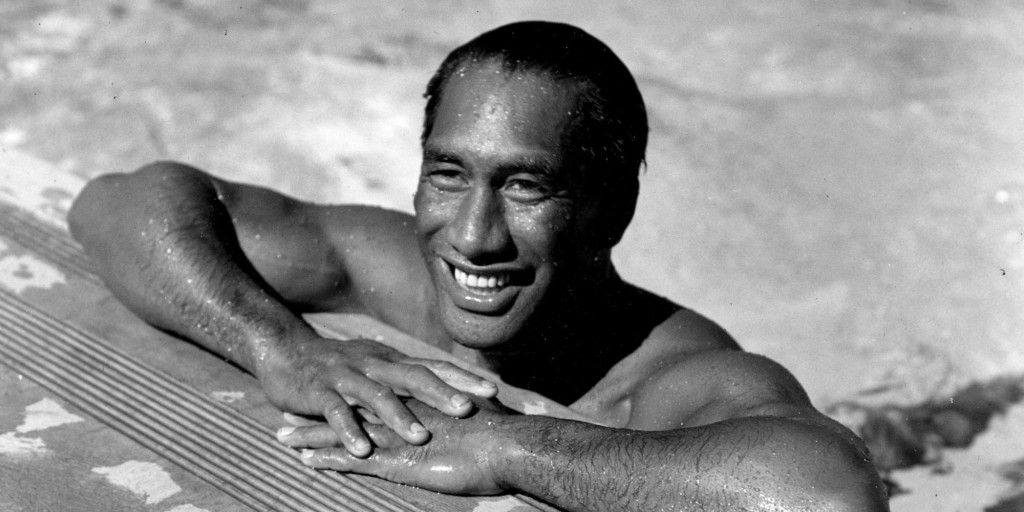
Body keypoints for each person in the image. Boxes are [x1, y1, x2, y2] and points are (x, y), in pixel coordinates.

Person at [69, 21, 888, 512]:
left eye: (525, 186)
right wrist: (282, 347)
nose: (471, 236)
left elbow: (825, 496)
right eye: (448, 173)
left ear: (612, 210)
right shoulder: (400, 270)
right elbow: (121, 203)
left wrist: (511, 449)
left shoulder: (675, 373)